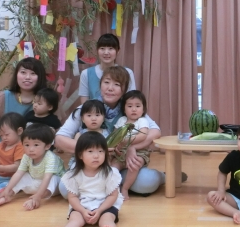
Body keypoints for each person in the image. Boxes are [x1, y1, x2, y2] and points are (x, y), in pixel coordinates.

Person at [55, 66, 165, 196]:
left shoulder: (129, 108)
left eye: (117, 84)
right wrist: (99, 149)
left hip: (120, 164)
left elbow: (155, 131)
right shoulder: (87, 108)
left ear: (124, 89)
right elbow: (59, 139)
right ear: (100, 85)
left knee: (148, 181)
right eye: (106, 82)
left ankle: (162, 177)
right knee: (65, 189)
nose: (110, 88)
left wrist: (131, 146)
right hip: (91, 165)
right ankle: (108, 187)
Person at [51, 132, 122, 227]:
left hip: (105, 205)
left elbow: (113, 195)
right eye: (90, 151)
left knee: (107, 219)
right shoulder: (73, 174)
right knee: (74, 220)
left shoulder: (110, 173)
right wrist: (83, 211)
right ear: (80, 155)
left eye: (100, 151)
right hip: (82, 206)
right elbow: (72, 197)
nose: (96, 156)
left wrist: (100, 210)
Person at [0, 124, 65, 209]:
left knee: (54, 178)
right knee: (22, 175)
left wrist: (38, 195)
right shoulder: (26, 156)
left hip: (51, 188)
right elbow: (18, 173)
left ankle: (35, 199)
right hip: (36, 183)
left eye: (36, 145)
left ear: (47, 146)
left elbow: (47, 177)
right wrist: (7, 189)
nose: (31, 149)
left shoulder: (51, 158)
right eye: (27, 145)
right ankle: (8, 195)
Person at [112, 90, 151, 200]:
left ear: (143, 109)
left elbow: (142, 136)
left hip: (139, 152)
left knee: (134, 165)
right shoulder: (121, 120)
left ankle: (125, 188)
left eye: (137, 106)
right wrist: (116, 145)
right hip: (121, 152)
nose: (134, 109)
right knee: (113, 167)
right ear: (124, 109)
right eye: (130, 106)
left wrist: (125, 141)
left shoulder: (142, 121)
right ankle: (115, 188)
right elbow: (115, 135)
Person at [78, 33, 136, 104]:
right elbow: (84, 104)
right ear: (97, 50)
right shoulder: (86, 74)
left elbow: (131, 101)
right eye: (102, 48)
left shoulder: (127, 72)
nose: (106, 52)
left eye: (110, 49)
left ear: (118, 51)